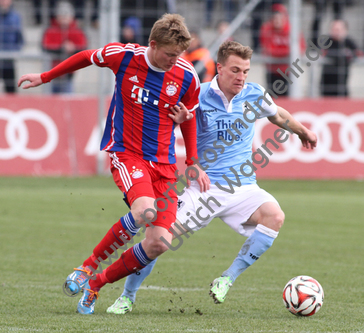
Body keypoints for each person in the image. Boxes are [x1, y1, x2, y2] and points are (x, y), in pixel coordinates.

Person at [105, 40, 318, 314]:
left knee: (275, 216)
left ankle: (227, 278)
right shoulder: (199, 94)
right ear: (219, 68)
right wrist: (182, 133)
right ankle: (127, 296)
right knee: (157, 240)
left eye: (245, 71)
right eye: (235, 70)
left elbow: (277, 115)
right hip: (201, 190)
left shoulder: (254, 94)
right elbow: (164, 124)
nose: (241, 77)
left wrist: (303, 131)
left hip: (242, 188)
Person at [18, 13, 210, 315]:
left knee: (160, 243)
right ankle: (87, 266)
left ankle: (96, 284)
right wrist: (45, 77)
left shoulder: (187, 75)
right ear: (153, 44)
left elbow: (189, 115)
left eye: (179, 55)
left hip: (165, 164)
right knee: (144, 209)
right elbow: (84, 56)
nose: (175, 60)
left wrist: (194, 161)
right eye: (170, 54)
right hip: (127, 153)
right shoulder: (123, 56)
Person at [41, 1, 87, 94]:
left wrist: (73, 48)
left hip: (69, 73)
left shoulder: (76, 31)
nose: (64, 19)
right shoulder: (51, 30)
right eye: (61, 16)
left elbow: (83, 47)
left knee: (68, 96)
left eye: (66, 16)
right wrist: (61, 48)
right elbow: (45, 47)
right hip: (53, 72)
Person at [259, 3, 305, 96]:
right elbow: (268, 50)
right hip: (272, 70)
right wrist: (288, 53)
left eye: (280, 17)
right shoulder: (267, 29)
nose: (277, 21)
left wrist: (278, 53)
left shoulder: (292, 29)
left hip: (288, 72)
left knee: (288, 97)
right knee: (271, 100)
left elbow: (301, 49)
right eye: (275, 18)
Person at [320, 19, 362, 97]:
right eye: (334, 29)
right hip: (327, 84)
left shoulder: (348, 42)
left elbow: (358, 53)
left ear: (345, 31)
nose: (336, 32)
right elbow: (322, 53)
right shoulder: (326, 41)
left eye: (338, 29)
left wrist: (348, 54)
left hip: (342, 84)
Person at [0, 0, 23, 93]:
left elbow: (20, 38)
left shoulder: (15, 17)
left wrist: (14, 50)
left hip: (8, 59)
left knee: (10, 88)